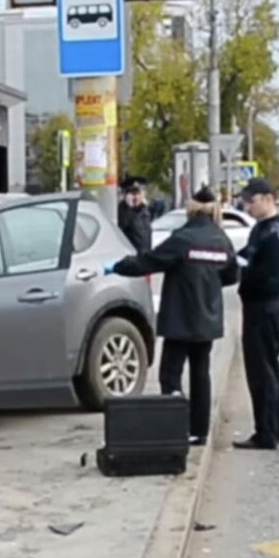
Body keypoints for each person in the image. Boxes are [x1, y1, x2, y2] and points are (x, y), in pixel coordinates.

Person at [106, 187, 238, 445]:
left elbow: (149, 261)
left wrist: (116, 266)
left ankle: (174, 426)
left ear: (190, 210)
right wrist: (208, 284)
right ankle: (200, 430)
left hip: (180, 318)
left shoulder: (183, 239)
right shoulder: (221, 239)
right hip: (207, 318)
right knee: (201, 373)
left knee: (171, 372)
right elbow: (232, 275)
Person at [234, 178, 279, 451]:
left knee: (261, 371)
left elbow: (267, 277)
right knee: (271, 367)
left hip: (264, 307)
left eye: (251, 200)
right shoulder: (263, 229)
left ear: (268, 198)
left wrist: (244, 277)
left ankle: (266, 432)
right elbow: (247, 256)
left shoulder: (275, 234)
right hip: (265, 306)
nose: (247, 206)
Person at [117, 176, 153, 253]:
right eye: (133, 194)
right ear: (126, 195)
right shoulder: (122, 210)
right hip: (130, 258)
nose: (136, 197)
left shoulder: (145, 211)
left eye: (138, 193)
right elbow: (120, 229)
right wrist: (128, 207)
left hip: (144, 257)